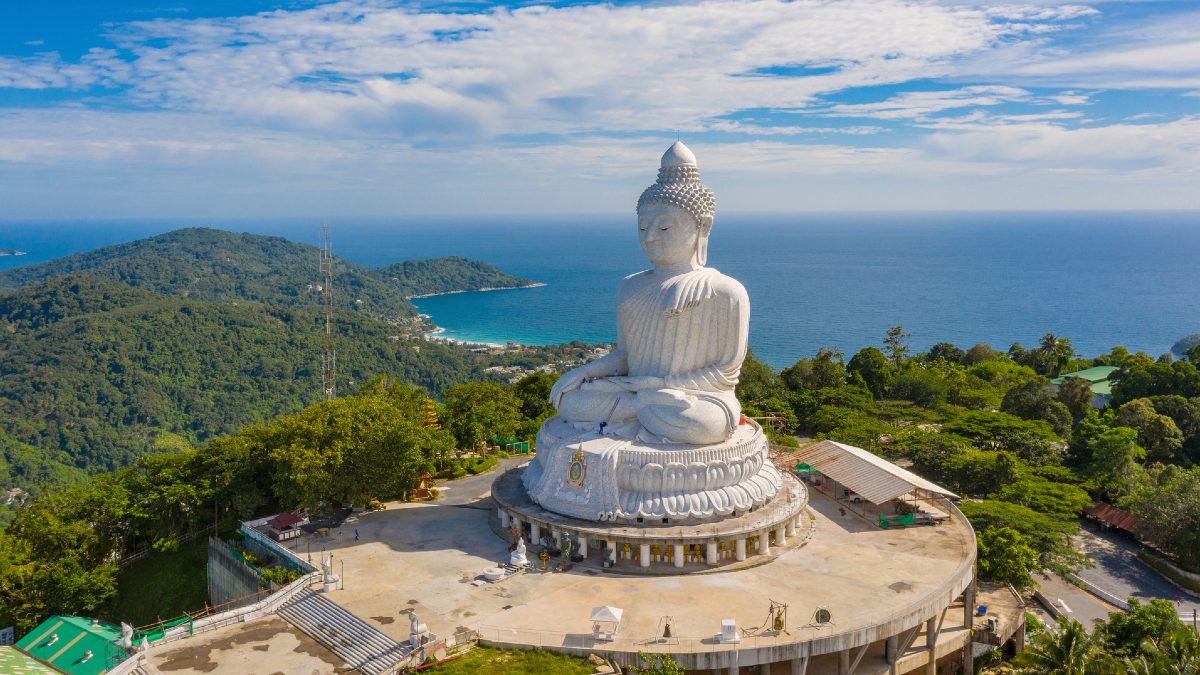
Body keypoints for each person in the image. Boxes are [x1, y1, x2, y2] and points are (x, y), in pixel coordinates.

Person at [549, 141, 748, 446]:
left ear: (703, 226)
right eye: (643, 228)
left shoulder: (725, 292)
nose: (650, 238)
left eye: (664, 228)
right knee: (569, 400)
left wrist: (661, 385)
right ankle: (639, 407)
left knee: (701, 424)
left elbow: (725, 373)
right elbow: (626, 356)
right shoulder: (630, 285)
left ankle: (641, 408)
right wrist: (586, 372)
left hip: (693, 398)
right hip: (639, 393)